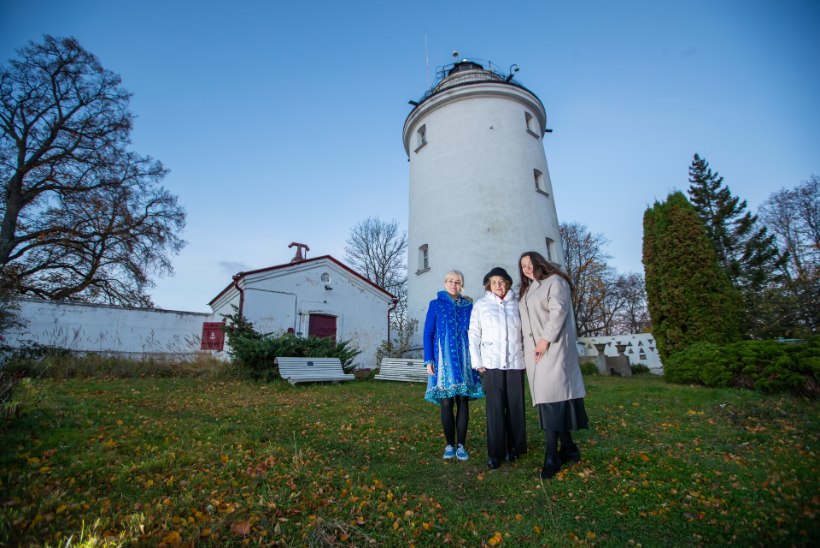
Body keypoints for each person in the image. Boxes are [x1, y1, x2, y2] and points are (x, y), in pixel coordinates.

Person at [518, 251, 589, 480]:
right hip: (534, 353)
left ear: (540, 262)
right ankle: (569, 449)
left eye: (530, 264)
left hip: (553, 349)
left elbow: (558, 312)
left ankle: (551, 456)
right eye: (523, 266)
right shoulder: (527, 290)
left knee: (551, 401)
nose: (527, 268)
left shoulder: (555, 282)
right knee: (549, 401)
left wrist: (545, 340)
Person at [468, 267, 527, 470]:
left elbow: (526, 331)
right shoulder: (481, 305)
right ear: (488, 285)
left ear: (507, 283)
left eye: (501, 281)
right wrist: (477, 361)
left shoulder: (517, 303)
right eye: (494, 282)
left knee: (515, 407)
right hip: (491, 363)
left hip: (515, 362)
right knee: (494, 409)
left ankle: (515, 448)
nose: (498, 285)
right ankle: (495, 452)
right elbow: (474, 334)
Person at [424, 270, 484, 461]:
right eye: (450, 281)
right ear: (444, 283)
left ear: (461, 285)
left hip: (464, 359)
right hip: (443, 361)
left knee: (462, 401)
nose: (453, 284)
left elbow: (476, 332)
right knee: (446, 402)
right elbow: (428, 334)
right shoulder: (435, 305)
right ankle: (449, 443)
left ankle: (461, 445)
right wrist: (429, 360)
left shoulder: (469, 306)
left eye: (457, 282)